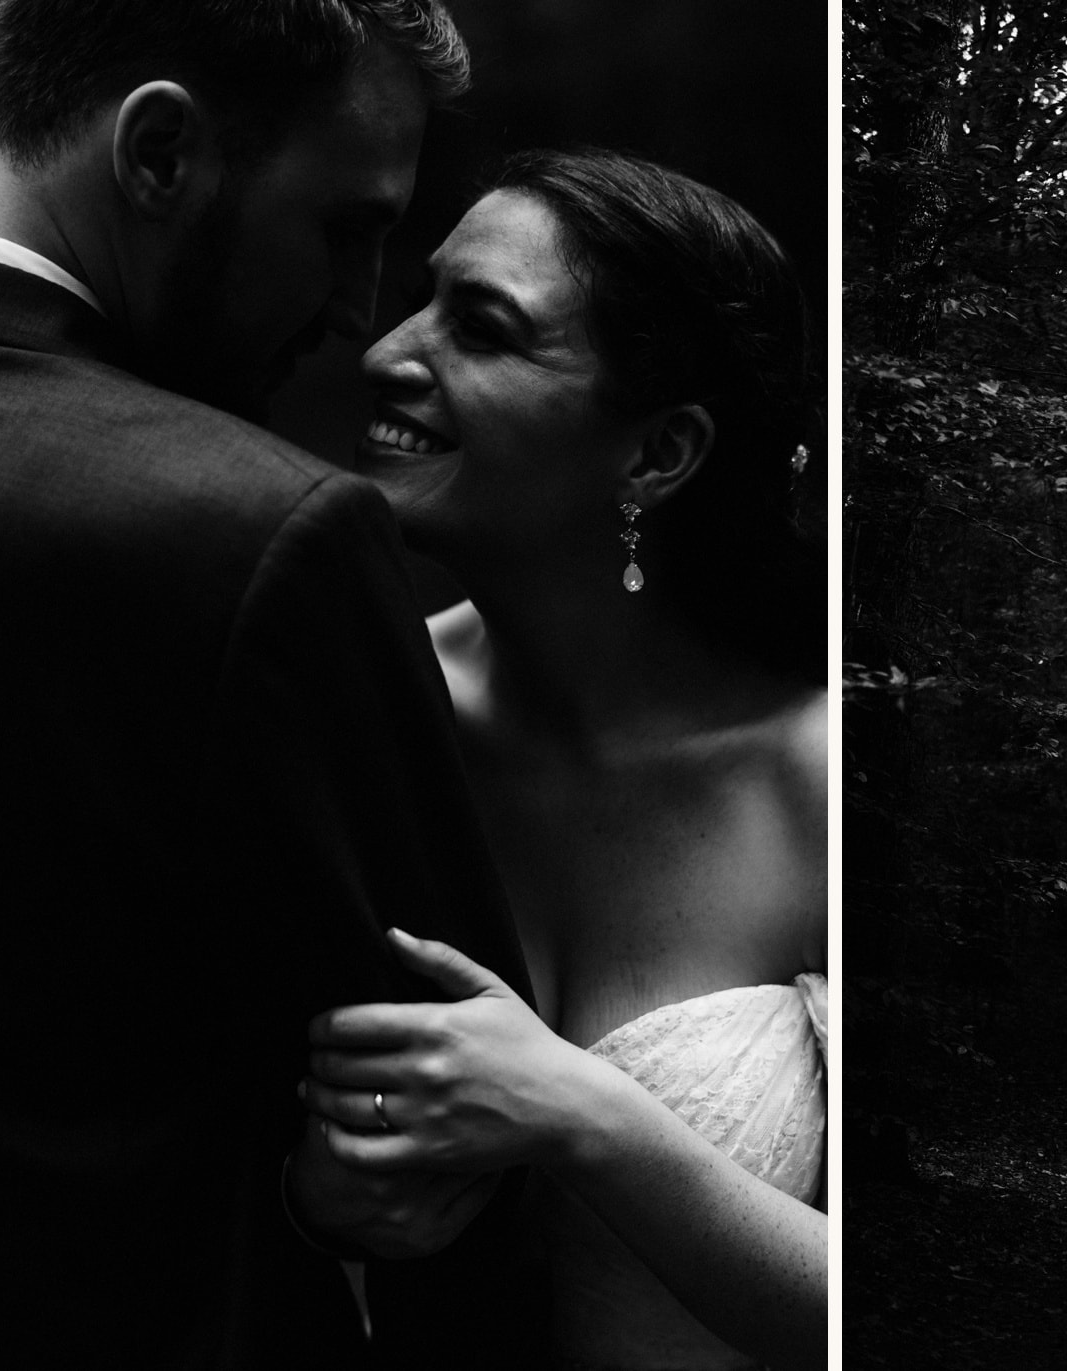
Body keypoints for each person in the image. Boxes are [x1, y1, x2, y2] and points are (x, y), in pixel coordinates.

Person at [0, 3, 532, 1363]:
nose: (358, 312)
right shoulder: (264, 537)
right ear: (160, 153)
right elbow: (456, 1126)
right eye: (345, 226)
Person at [298, 150, 828, 1370]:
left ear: (657, 455)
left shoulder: (809, 782)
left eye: (478, 326)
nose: (387, 352)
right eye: (421, 298)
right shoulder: (347, 721)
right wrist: (311, 1206)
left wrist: (586, 1117)